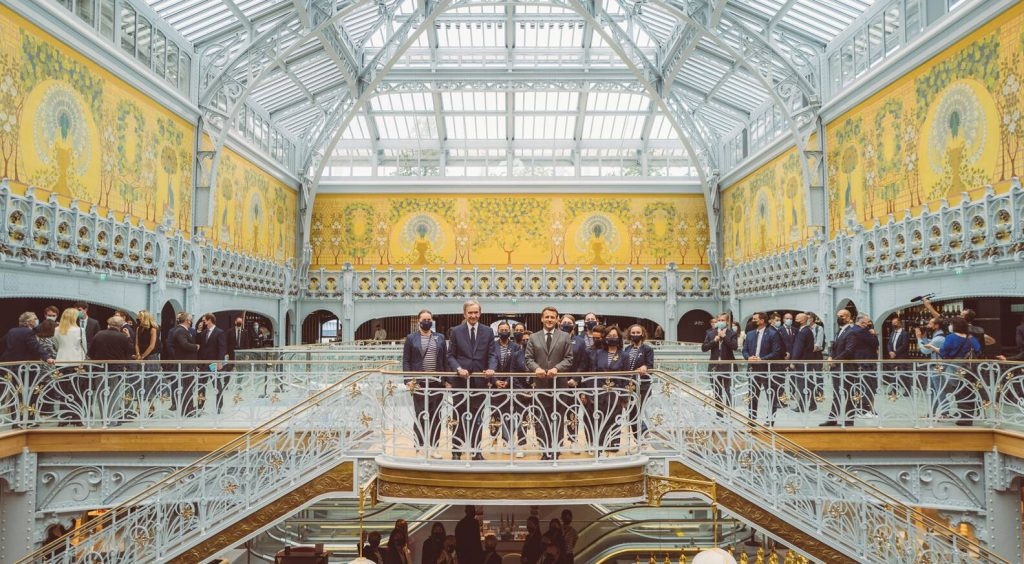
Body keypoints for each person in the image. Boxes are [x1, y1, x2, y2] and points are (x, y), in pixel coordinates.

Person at [446, 300, 497, 460]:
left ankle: (476, 451)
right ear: (465, 314)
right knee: (459, 416)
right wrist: (458, 368)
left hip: (480, 382)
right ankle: (456, 450)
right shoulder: (456, 331)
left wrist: (491, 368)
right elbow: (450, 355)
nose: (473, 315)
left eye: (476, 312)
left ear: (480, 313)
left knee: (477, 418)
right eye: (470, 313)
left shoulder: (488, 331)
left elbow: (492, 354)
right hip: (460, 382)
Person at [525, 306, 574, 460]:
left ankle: (555, 450)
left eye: (552, 317)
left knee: (558, 418)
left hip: (559, 384)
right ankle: (545, 449)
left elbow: (569, 358)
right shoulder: (534, 337)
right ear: (542, 318)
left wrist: (557, 369)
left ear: (557, 319)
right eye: (547, 317)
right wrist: (536, 368)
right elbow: (528, 359)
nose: (549, 320)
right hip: (540, 384)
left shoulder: (565, 336)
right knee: (542, 418)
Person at [402, 309, 448, 458]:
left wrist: (447, 380)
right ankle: (419, 447)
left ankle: (434, 447)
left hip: (437, 382)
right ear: (419, 321)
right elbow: (406, 360)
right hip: (419, 383)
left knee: (436, 416)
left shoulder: (440, 338)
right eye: (424, 319)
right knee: (420, 414)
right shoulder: (411, 338)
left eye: (429, 319)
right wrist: (408, 380)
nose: (427, 322)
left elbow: (444, 360)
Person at [2, 312, 56, 427]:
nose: (37, 321)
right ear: (29, 322)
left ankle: (16, 421)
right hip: (28, 369)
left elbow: (3, 344)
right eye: (35, 319)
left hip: (14, 368)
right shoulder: (29, 332)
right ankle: (29, 421)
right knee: (32, 394)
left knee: (17, 394)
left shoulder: (12, 331)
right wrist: (47, 358)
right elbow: (35, 347)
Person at [820, 309, 863, 427]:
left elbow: (849, 350)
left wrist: (835, 360)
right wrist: (830, 357)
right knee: (836, 393)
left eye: (842, 316)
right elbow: (833, 346)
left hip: (847, 368)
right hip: (837, 367)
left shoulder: (851, 332)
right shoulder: (839, 331)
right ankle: (833, 418)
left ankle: (849, 421)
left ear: (849, 318)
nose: (839, 318)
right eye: (838, 316)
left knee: (849, 394)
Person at [90, 316, 136, 423]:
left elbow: (91, 352)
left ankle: (103, 418)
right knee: (115, 394)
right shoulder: (123, 337)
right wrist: (129, 337)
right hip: (116, 368)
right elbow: (130, 352)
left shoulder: (99, 334)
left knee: (101, 393)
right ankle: (112, 418)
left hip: (100, 367)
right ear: (120, 326)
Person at [491, 321, 527, 456]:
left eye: (506, 329)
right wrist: (495, 381)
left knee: (512, 415)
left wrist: (507, 381)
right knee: (495, 414)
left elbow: (515, 367)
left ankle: (508, 442)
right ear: (498, 331)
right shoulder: (492, 346)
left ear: (510, 332)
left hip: (511, 385)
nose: (504, 332)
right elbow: (490, 362)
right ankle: (494, 441)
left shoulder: (515, 347)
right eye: (502, 329)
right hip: (495, 385)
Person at [742, 312, 784, 425]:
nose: (752, 321)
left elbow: (776, 352)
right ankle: (752, 419)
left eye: (755, 319)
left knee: (771, 395)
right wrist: (748, 357)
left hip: (768, 369)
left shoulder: (772, 333)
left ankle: (770, 420)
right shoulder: (750, 334)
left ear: (762, 320)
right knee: (753, 395)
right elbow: (744, 350)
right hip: (753, 368)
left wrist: (762, 359)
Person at [589, 325, 624, 455]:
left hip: (616, 392)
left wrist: (624, 396)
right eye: (609, 336)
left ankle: (614, 445)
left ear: (619, 338)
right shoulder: (599, 353)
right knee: (600, 419)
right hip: (601, 391)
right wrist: (594, 391)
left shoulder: (623, 355)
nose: (612, 338)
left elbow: (626, 376)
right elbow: (594, 373)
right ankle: (600, 445)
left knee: (615, 419)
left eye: (614, 336)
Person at [940, 317, 981, 426]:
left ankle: (964, 418)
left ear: (955, 326)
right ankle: (969, 416)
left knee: (958, 391)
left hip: (955, 368)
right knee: (968, 391)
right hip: (970, 369)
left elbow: (944, 352)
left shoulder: (951, 337)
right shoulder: (971, 338)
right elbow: (978, 349)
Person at [623, 324, 654, 444]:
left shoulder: (647, 349)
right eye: (633, 333)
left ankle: (643, 434)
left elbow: (650, 364)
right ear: (630, 334)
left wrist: (644, 366)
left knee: (639, 410)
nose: (635, 335)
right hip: (629, 384)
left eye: (638, 332)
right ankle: (639, 437)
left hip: (643, 384)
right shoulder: (627, 349)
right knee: (631, 410)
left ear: (642, 334)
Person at [702, 313, 737, 412]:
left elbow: (734, 347)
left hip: (728, 366)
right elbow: (703, 348)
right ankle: (719, 415)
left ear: (727, 322)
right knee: (717, 392)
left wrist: (724, 337)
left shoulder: (732, 333)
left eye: (722, 320)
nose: (720, 322)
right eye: (719, 320)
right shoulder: (710, 333)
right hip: (714, 367)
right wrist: (714, 340)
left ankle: (729, 413)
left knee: (728, 391)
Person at [167, 312, 201, 416]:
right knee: (187, 387)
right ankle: (187, 410)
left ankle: (189, 408)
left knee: (188, 386)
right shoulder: (180, 330)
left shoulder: (181, 330)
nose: (191, 322)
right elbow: (184, 344)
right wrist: (196, 347)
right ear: (187, 320)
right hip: (185, 363)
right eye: (190, 320)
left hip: (187, 363)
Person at [197, 313, 228, 414]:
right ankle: (200, 406)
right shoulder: (203, 332)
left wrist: (219, 362)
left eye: (204, 320)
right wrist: (198, 330)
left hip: (214, 363)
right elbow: (199, 345)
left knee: (217, 384)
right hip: (204, 363)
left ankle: (219, 406)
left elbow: (222, 348)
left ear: (210, 320)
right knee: (201, 385)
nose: (203, 322)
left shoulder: (219, 332)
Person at [916, 317, 947, 417]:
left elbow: (925, 350)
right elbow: (929, 344)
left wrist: (919, 338)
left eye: (930, 324)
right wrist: (924, 338)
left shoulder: (938, 338)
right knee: (934, 391)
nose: (927, 326)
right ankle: (933, 413)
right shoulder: (937, 337)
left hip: (938, 366)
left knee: (939, 390)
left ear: (936, 326)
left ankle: (945, 412)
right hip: (936, 366)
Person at [788, 313, 817, 412]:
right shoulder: (806, 330)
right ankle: (812, 404)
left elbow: (798, 348)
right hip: (806, 361)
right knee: (808, 384)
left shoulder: (804, 331)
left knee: (802, 385)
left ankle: (802, 406)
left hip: (802, 362)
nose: (795, 320)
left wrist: (793, 361)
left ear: (803, 320)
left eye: (797, 319)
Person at [885, 317, 911, 393]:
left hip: (902, 357)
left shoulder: (905, 333)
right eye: (893, 323)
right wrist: (890, 351)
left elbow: (904, 345)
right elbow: (889, 343)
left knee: (903, 374)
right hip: (893, 357)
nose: (893, 324)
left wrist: (895, 353)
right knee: (894, 373)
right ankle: (894, 390)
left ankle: (907, 390)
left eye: (895, 323)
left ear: (900, 323)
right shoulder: (892, 333)